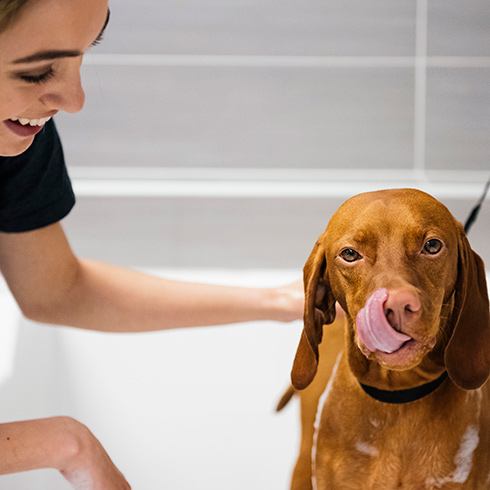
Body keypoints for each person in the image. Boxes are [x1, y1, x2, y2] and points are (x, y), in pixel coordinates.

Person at [0, 1, 304, 488]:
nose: (75, 100)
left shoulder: (14, 140)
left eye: (84, 54)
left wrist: (282, 302)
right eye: (36, 72)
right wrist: (66, 444)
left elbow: (54, 290)